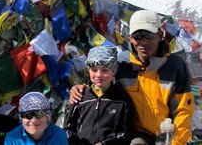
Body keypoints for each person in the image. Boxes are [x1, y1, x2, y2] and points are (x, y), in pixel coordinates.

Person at [69, 10, 195, 145]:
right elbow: (102, 82)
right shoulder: (122, 62)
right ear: (130, 37)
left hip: (166, 135)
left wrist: (176, 142)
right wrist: (82, 89)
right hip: (134, 134)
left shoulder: (174, 66)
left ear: (160, 35)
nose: (143, 42)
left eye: (149, 35)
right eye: (138, 36)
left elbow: (183, 110)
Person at [64, 45, 132, 145]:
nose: (99, 75)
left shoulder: (121, 99)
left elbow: (126, 133)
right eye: (94, 70)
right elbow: (68, 127)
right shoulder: (80, 96)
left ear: (114, 71)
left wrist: (105, 144)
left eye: (105, 70)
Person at [4, 91, 68, 145]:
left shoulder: (59, 135)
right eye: (28, 115)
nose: (34, 120)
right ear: (21, 118)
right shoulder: (12, 138)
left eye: (40, 114)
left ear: (48, 116)